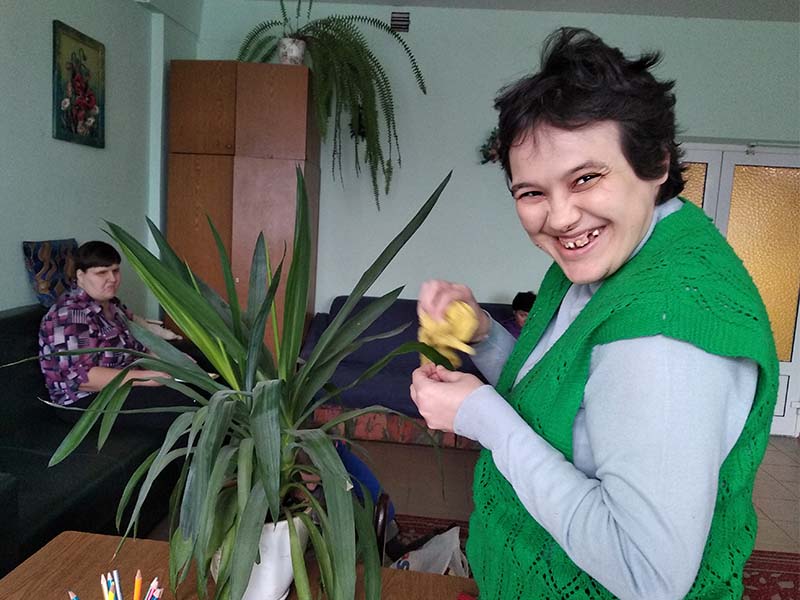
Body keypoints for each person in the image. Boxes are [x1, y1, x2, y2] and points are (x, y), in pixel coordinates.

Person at [410, 28, 777, 600]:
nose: (560, 218)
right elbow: (569, 397)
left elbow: (647, 575)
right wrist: (482, 335)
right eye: (531, 193)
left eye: (586, 178)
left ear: (656, 162)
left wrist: (480, 415)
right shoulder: (612, 257)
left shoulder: (664, 337)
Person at [38, 240, 196, 429]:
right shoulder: (71, 315)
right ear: (80, 275)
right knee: (184, 403)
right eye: (102, 273)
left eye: (115, 270)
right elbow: (81, 378)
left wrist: (174, 360)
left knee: (199, 377)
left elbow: (139, 348)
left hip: (125, 383)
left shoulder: (113, 306)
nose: (112, 279)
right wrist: (145, 378)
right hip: (85, 400)